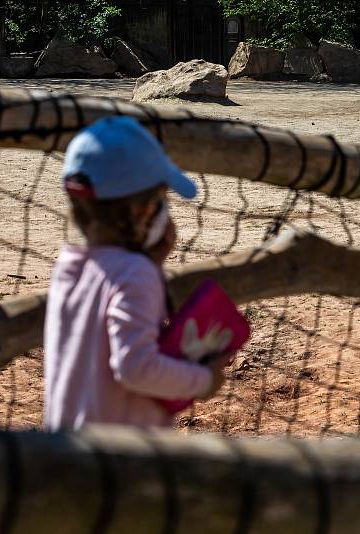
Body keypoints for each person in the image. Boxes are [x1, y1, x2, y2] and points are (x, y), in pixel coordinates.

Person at [43, 116, 230, 431]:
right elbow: (135, 367)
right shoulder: (137, 274)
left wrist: (151, 264)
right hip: (124, 463)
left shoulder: (68, 268)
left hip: (65, 453)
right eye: (162, 200)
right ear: (143, 210)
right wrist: (204, 380)